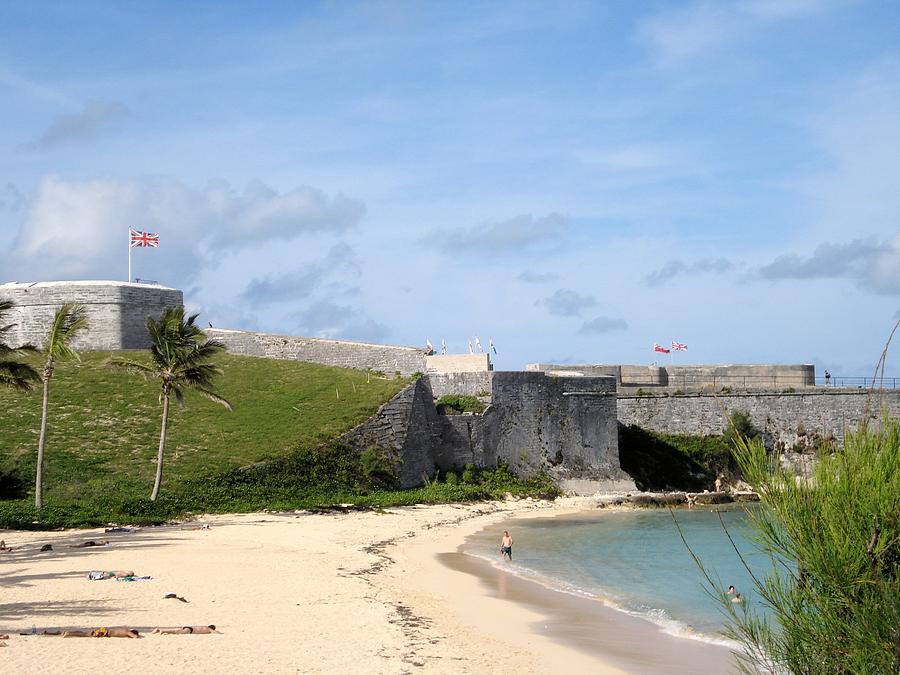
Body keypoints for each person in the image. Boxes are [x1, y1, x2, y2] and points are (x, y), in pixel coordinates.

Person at [63, 627, 140, 638]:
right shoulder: (127, 632)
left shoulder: (125, 629)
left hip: (105, 630)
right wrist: (138, 636)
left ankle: (70, 632)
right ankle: (69, 633)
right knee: (85, 635)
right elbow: (134, 636)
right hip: (105, 632)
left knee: (85, 633)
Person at [152, 625, 220, 634]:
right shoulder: (209, 629)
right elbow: (215, 632)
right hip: (190, 630)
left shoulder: (204, 626)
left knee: (176, 630)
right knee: (176, 632)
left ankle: (158, 629)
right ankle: (163, 630)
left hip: (189, 627)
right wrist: (220, 633)